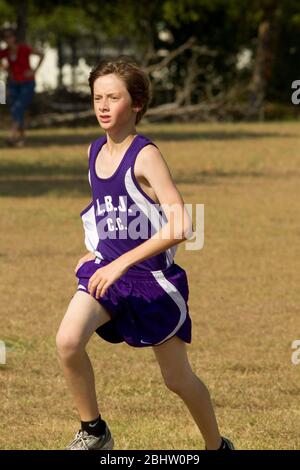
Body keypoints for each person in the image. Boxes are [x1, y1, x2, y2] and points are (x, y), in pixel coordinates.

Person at [56, 57, 235, 451]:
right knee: (68, 341)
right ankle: (94, 431)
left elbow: (181, 225)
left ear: (136, 103)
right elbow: (105, 213)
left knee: (177, 379)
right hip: (107, 276)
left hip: (151, 282)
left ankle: (216, 446)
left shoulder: (145, 155)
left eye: (113, 97)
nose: (103, 106)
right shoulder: (93, 152)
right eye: (97, 97)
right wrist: (94, 252)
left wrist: (123, 262)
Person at [0, 27, 44, 147]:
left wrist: (34, 70)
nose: (8, 39)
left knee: (18, 108)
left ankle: (12, 135)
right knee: (17, 110)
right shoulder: (5, 52)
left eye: (10, 36)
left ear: (14, 38)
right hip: (14, 84)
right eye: (5, 37)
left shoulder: (24, 49)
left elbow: (41, 54)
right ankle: (22, 138)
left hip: (27, 83)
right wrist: (7, 69)